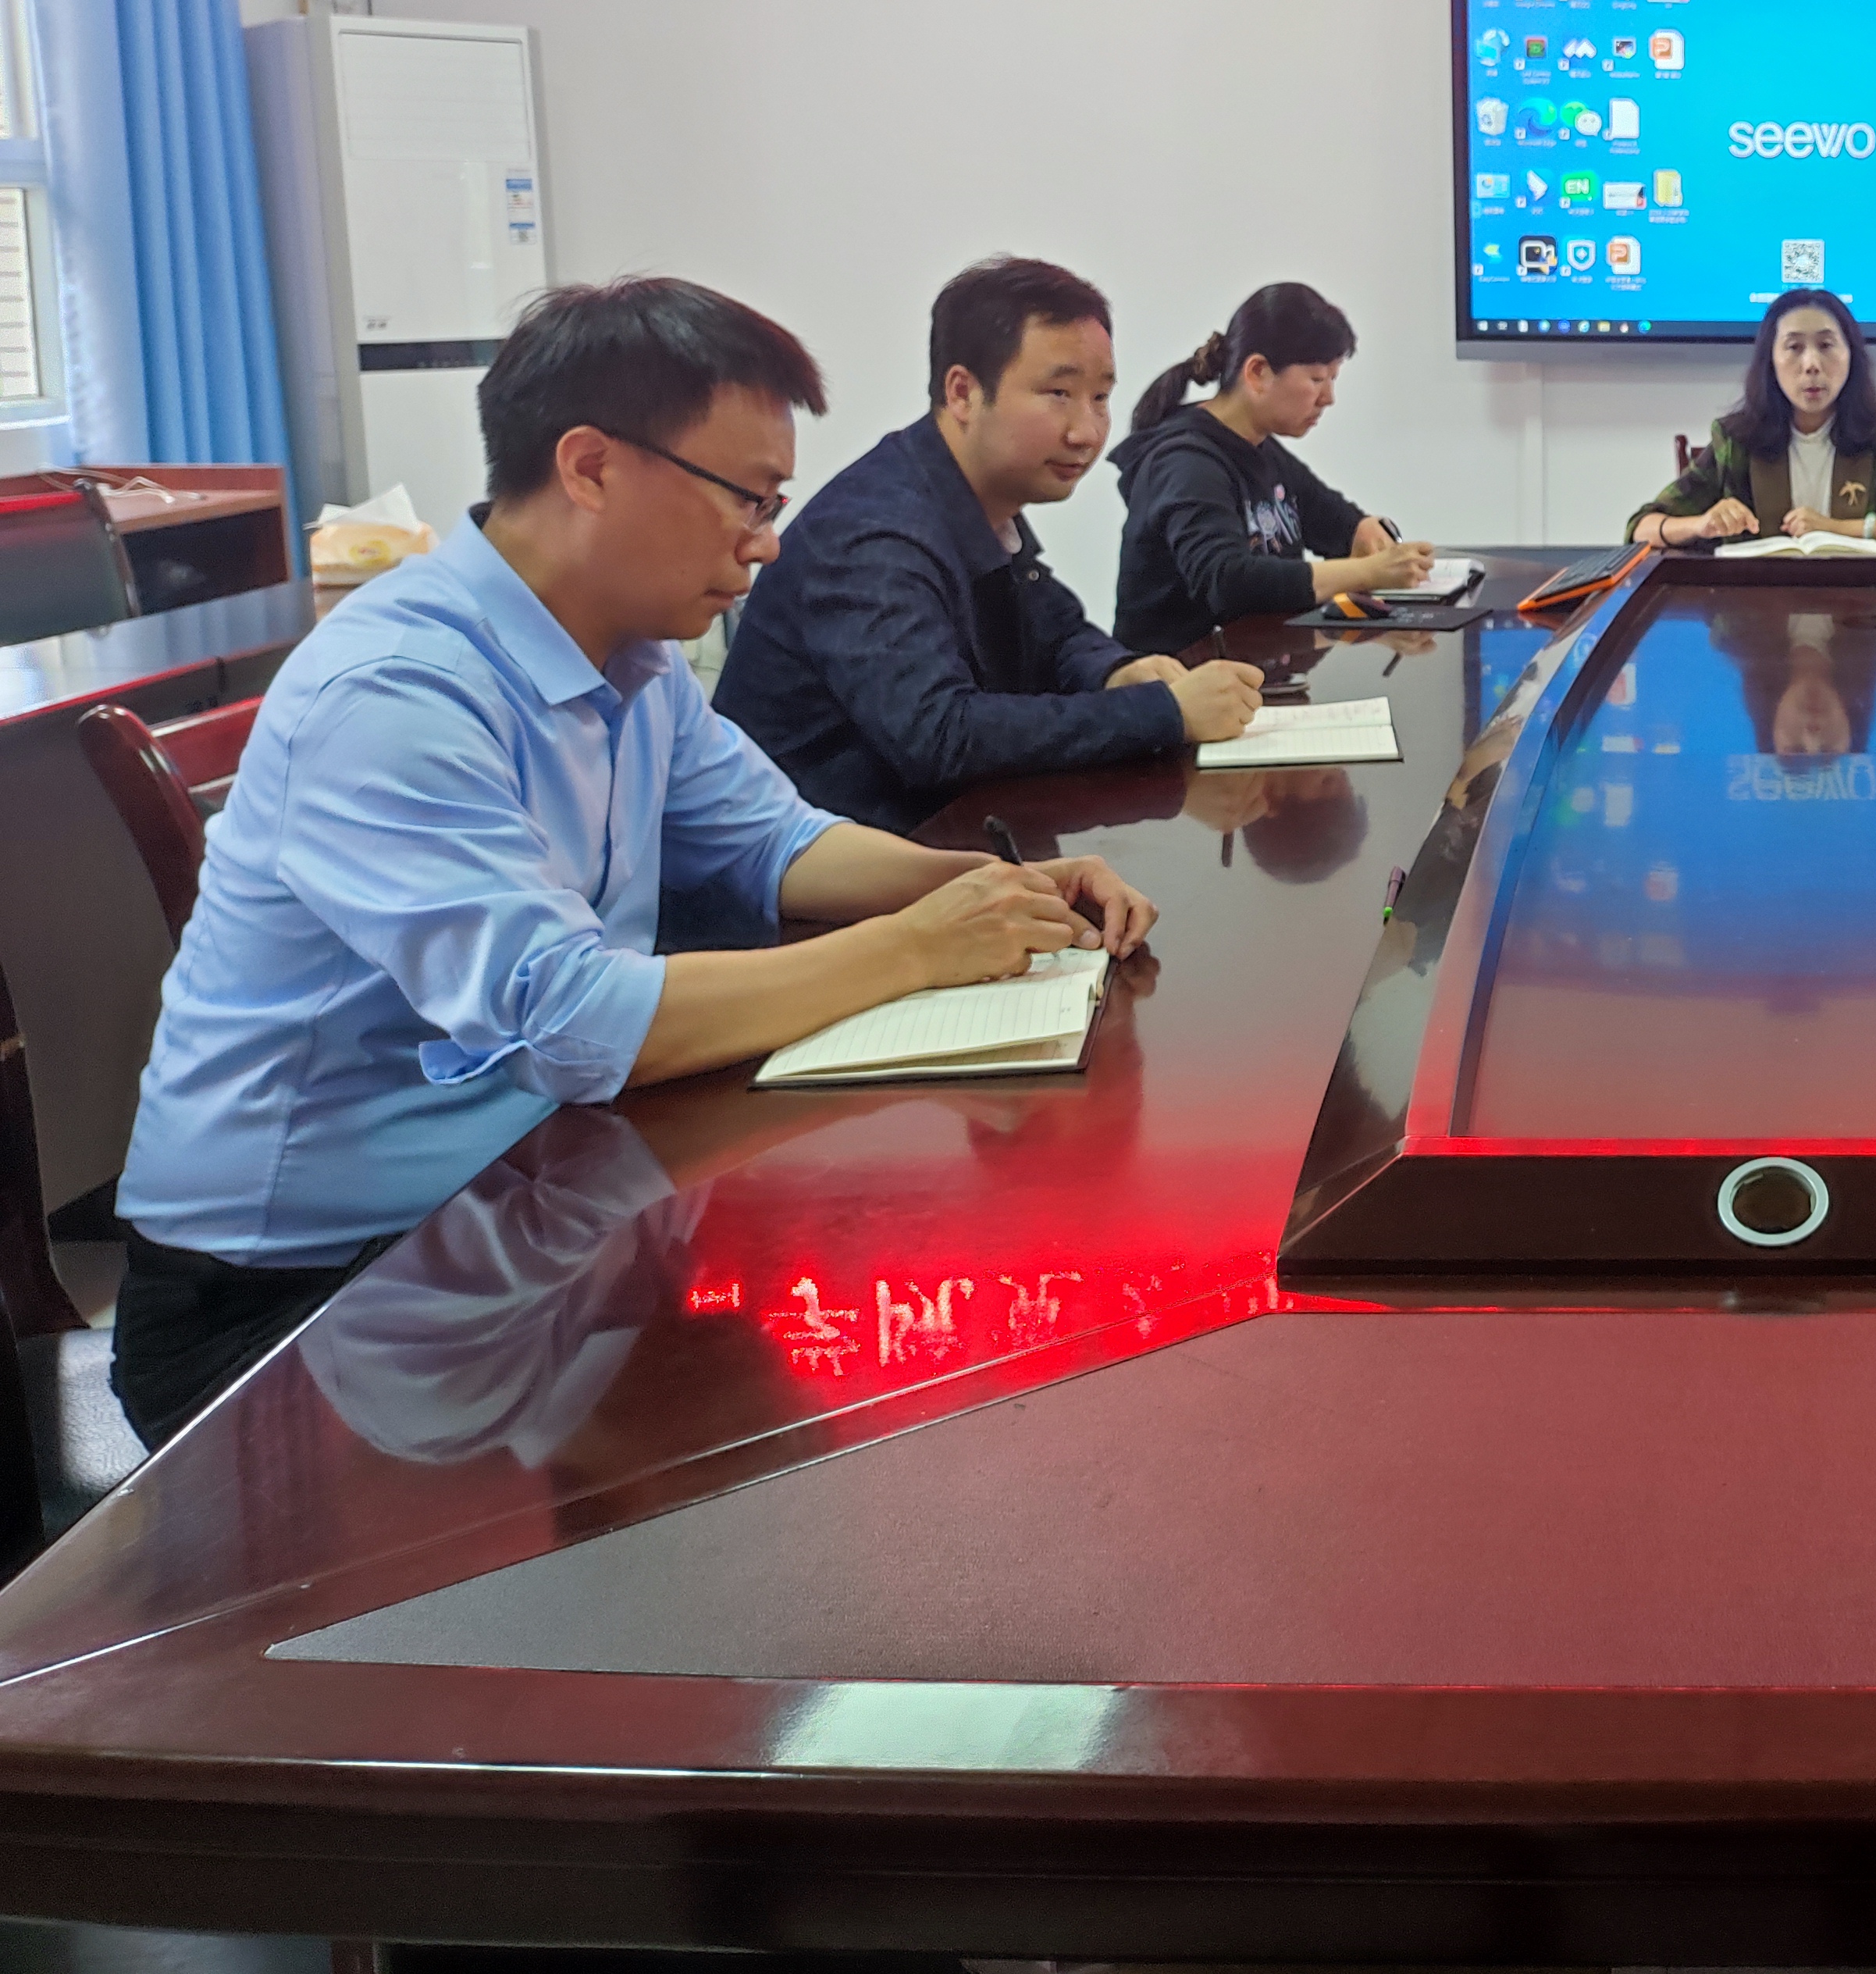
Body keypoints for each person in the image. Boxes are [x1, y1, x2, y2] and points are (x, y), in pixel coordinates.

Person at [112, 280, 1159, 1449]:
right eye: (747, 498)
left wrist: (987, 888)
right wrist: (915, 950)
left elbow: (775, 839)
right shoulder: (395, 695)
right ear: (592, 467)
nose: (767, 540)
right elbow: (571, 1018)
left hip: (516, 1205)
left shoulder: (632, 658)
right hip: (300, 1301)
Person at [714, 257, 1264, 831]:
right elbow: (939, 736)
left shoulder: (981, 499)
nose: (1086, 432)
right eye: (1058, 393)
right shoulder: (872, 534)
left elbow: (1056, 631)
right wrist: (1163, 713)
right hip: (817, 871)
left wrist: (1116, 673)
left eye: (1100, 397)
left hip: (944, 843)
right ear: (964, 393)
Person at [1111, 283, 1433, 654]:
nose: (1328, 398)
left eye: (1333, 379)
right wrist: (1367, 572)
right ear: (1258, 372)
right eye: (1317, 379)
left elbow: (1330, 518)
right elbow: (1228, 582)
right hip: (1183, 675)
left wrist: (1362, 529)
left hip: (1258, 666)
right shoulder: (1185, 461)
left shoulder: (1260, 446)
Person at [1630, 287, 1876, 548]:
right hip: (1755, 611)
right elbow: (1642, 528)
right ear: (1771, 361)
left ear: (1851, 356)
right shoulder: (1735, 440)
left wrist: (1837, 529)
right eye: (1794, 348)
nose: (1811, 365)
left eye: (1826, 346)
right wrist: (1700, 524)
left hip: (1861, 609)